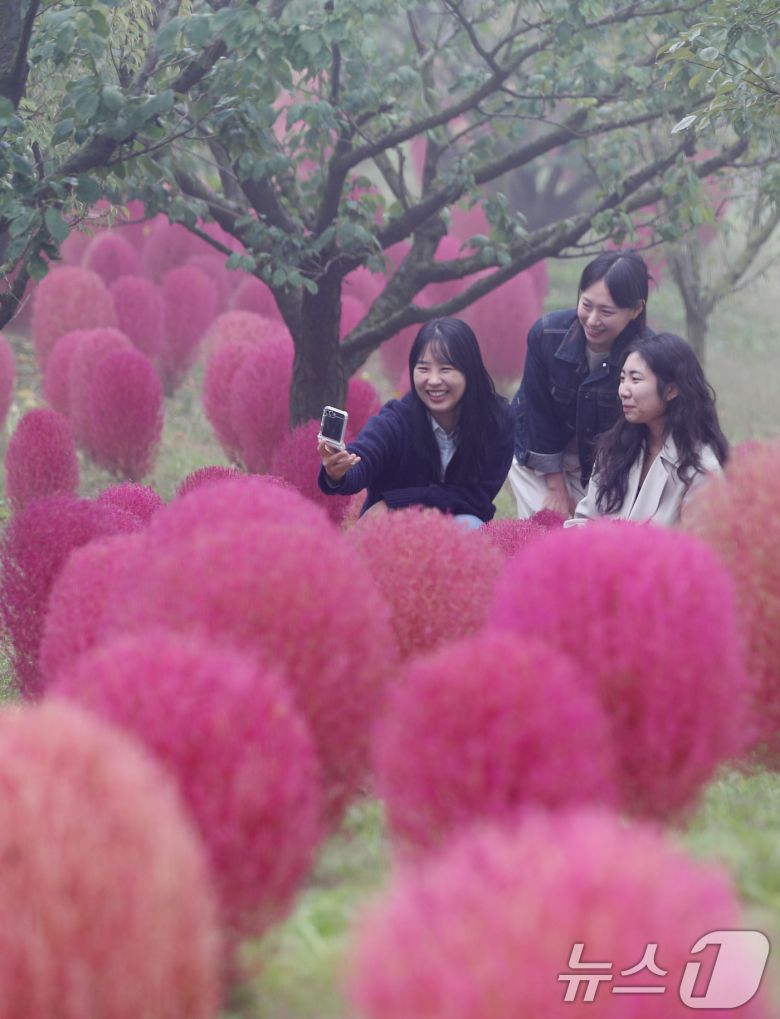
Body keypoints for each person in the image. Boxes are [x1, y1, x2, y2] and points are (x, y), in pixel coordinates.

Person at [317, 317, 514, 526]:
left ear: (470, 372)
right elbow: (366, 454)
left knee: (470, 525)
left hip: (457, 525)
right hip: (395, 529)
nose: (434, 380)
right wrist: (338, 472)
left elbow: (477, 500)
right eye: (423, 369)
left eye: (446, 369)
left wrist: (394, 503)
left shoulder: (496, 421)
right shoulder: (398, 419)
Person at [509, 250, 652, 518]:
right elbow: (535, 413)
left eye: (606, 311)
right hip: (542, 458)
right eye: (587, 305)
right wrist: (555, 485)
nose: (593, 320)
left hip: (611, 468)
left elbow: (646, 434)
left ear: (636, 309)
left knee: (595, 542)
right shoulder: (546, 335)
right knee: (544, 530)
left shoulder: (648, 357)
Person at [565, 332, 728, 527]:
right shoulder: (614, 448)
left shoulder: (701, 469)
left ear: (671, 390)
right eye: (622, 378)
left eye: (635, 379)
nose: (623, 391)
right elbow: (586, 519)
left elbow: (697, 549)